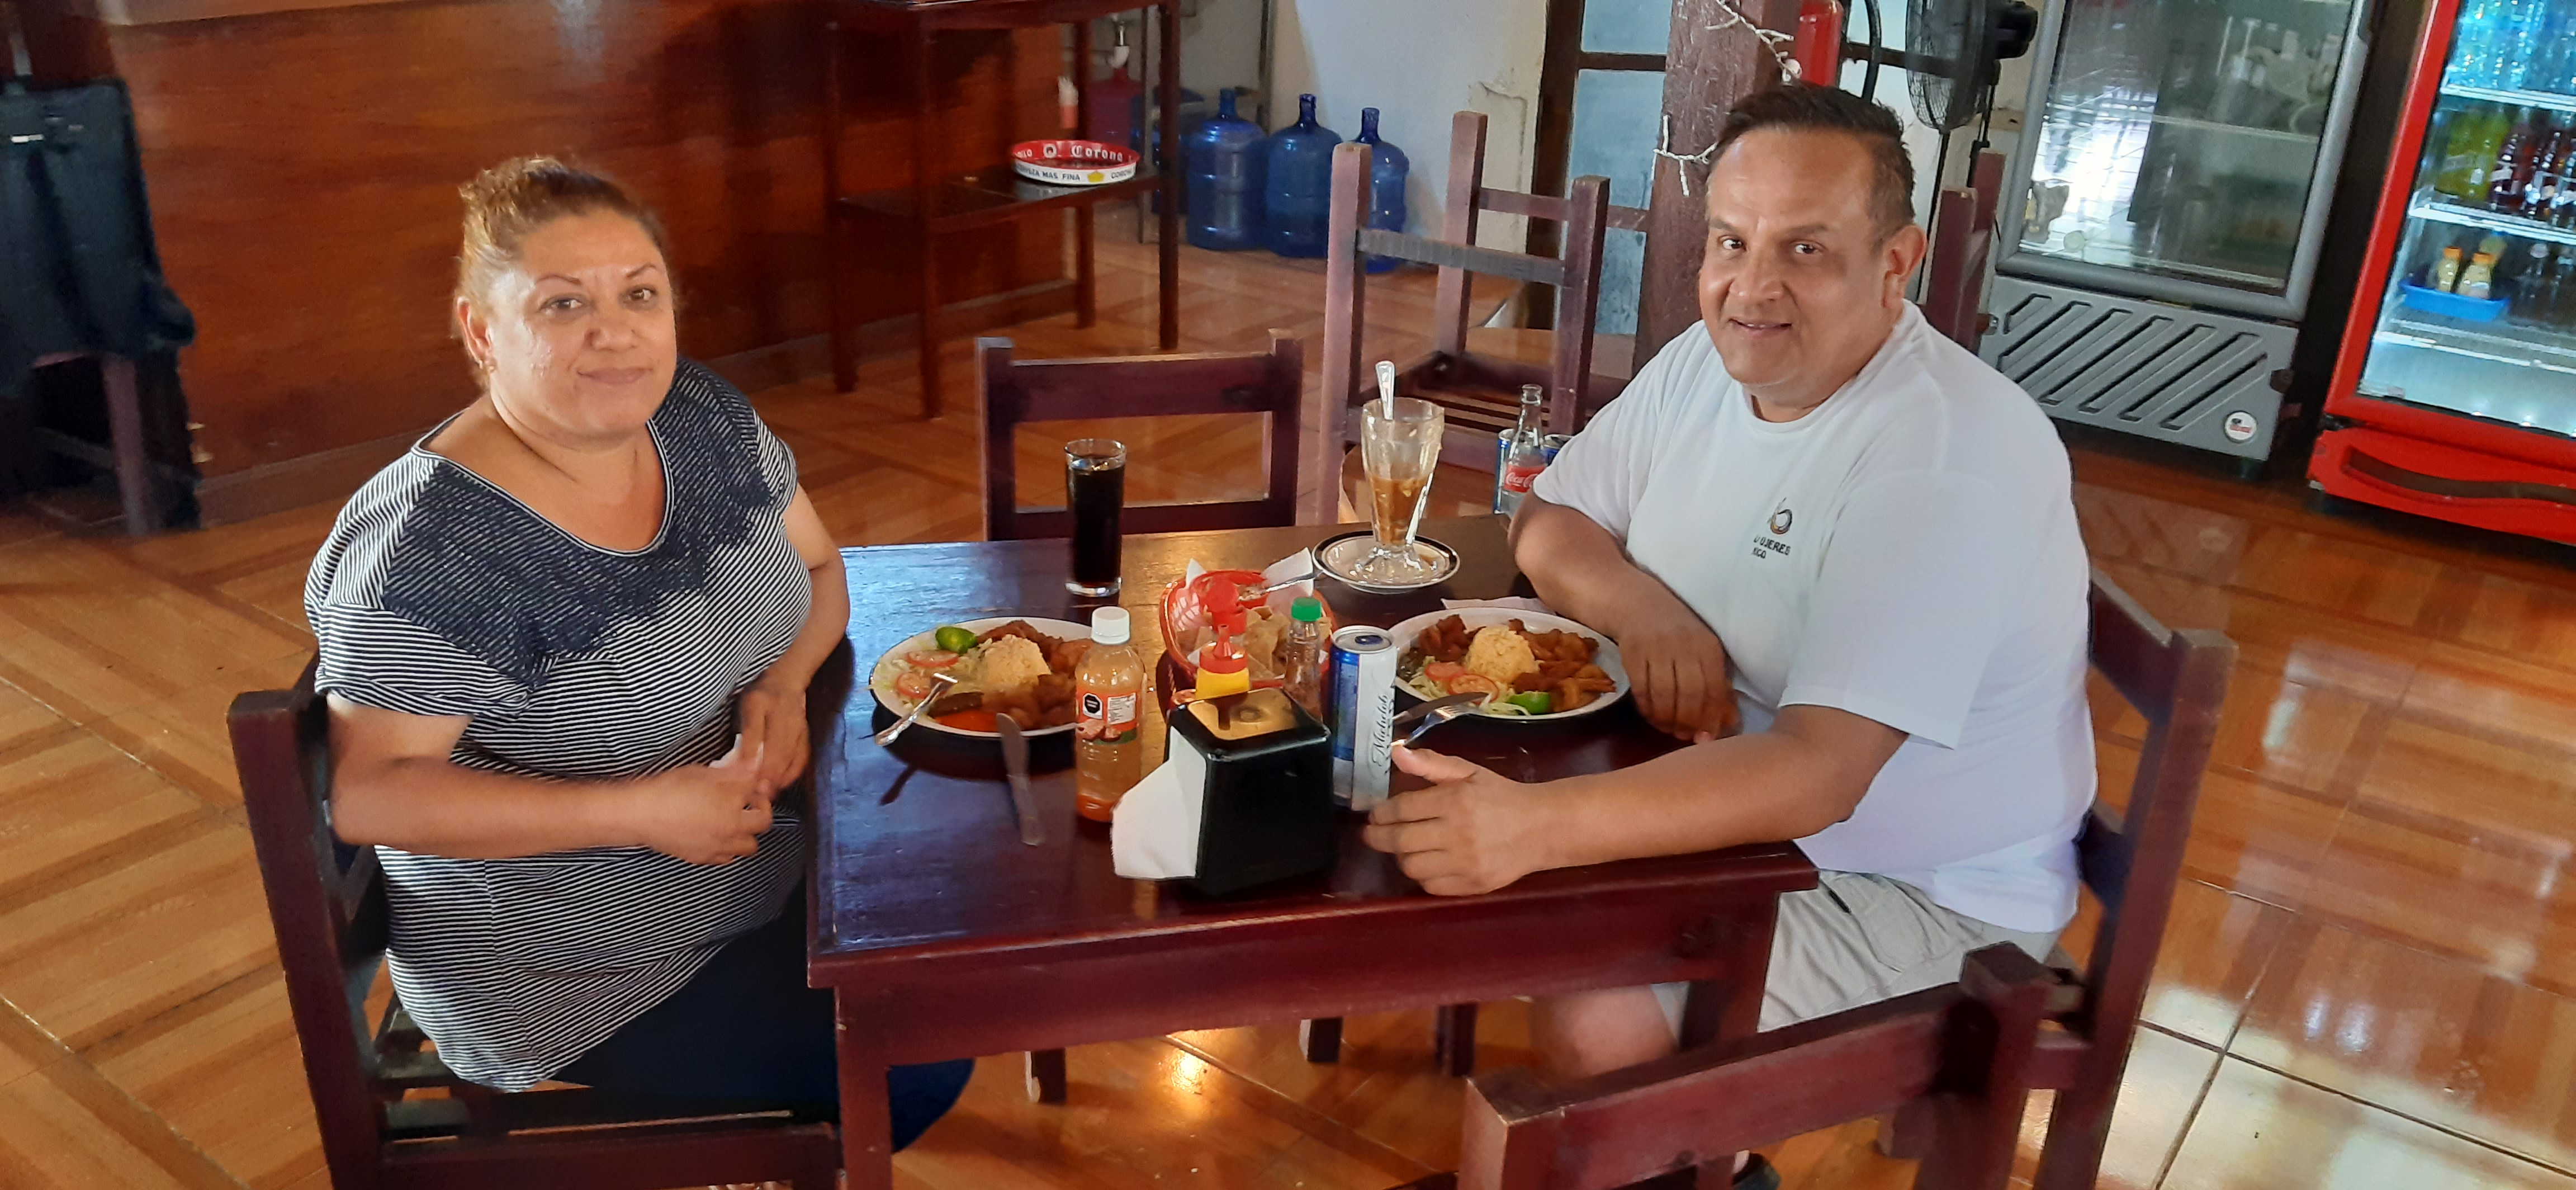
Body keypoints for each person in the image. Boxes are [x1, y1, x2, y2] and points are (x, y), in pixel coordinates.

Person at [1362, 84, 2090, 1185]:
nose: (1752, 287)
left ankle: (1694, 1163)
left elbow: (1820, 775)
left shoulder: (1944, 459)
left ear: (1897, 264)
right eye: (1732, 241)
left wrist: (1535, 826)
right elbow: (1551, 518)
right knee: (1483, 869)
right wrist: (1643, 610)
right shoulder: (1712, 363)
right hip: (1732, 798)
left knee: (1594, 1009)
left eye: (1806, 248)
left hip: (1913, 888)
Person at [305, 157, 971, 1146]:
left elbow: (823, 570)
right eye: (564, 303)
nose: (614, 332)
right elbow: (371, 794)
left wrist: (785, 681)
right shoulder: (435, 548)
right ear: (481, 331)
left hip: (773, 857)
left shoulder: (697, 416)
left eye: (640, 294)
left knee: (973, 913)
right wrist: (640, 812)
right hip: (575, 974)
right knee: (920, 1053)